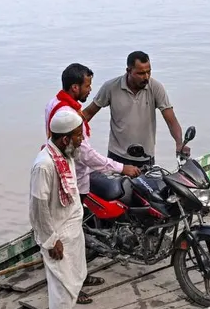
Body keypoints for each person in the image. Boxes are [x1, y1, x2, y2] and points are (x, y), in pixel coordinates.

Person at [45, 63, 141, 293]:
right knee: (71, 236)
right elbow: (85, 154)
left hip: (72, 176)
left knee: (76, 234)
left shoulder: (55, 104)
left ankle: (79, 276)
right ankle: (72, 286)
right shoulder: (67, 115)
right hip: (73, 181)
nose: (90, 90)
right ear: (75, 87)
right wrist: (120, 167)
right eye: (87, 86)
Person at [30, 109, 96, 309]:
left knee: (76, 277)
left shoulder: (65, 153)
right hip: (56, 234)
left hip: (72, 228)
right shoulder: (44, 165)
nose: (82, 139)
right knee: (61, 286)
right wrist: (50, 240)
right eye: (78, 135)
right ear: (65, 138)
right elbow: (38, 206)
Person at [82, 51, 185, 168]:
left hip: (146, 158)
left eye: (148, 72)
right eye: (140, 73)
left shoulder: (155, 88)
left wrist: (179, 142)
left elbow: (171, 120)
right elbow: (89, 113)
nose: (146, 77)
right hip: (117, 157)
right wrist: (68, 132)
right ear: (128, 71)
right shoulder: (111, 87)